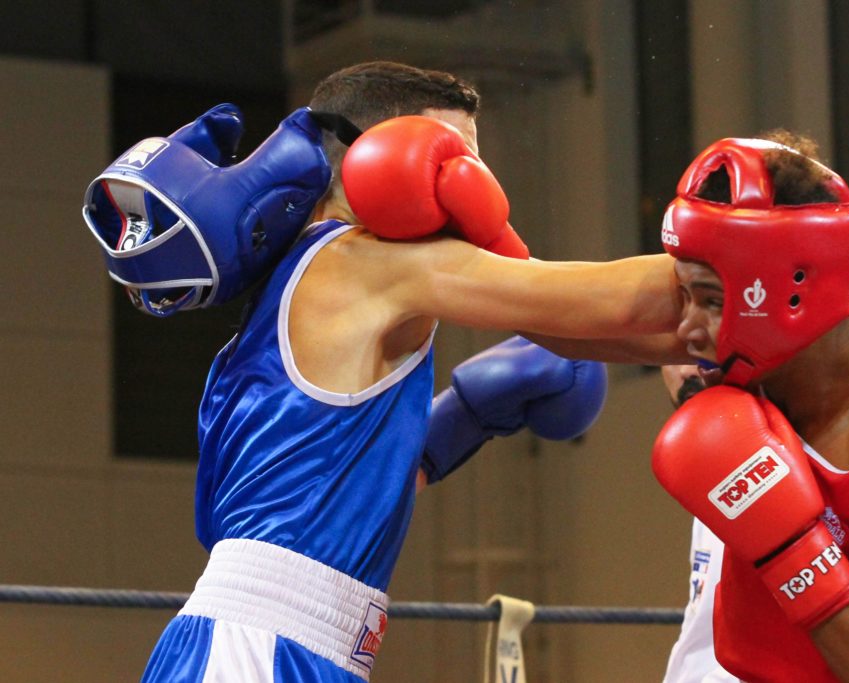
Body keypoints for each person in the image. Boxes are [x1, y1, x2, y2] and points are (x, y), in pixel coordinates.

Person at [83, 61, 689, 682]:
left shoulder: (302, 274)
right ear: (375, 158)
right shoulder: (363, 263)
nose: (466, 185)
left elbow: (318, 485)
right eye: (448, 160)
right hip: (258, 648)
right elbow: (594, 302)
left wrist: (465, 421)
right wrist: (740, 255)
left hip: (280, 643)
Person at [651, 131, 849, 682]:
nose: (683, 331)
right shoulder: (740, 384)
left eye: (710, 301)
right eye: (683, 296)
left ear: (788, 296)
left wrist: (789, 546)